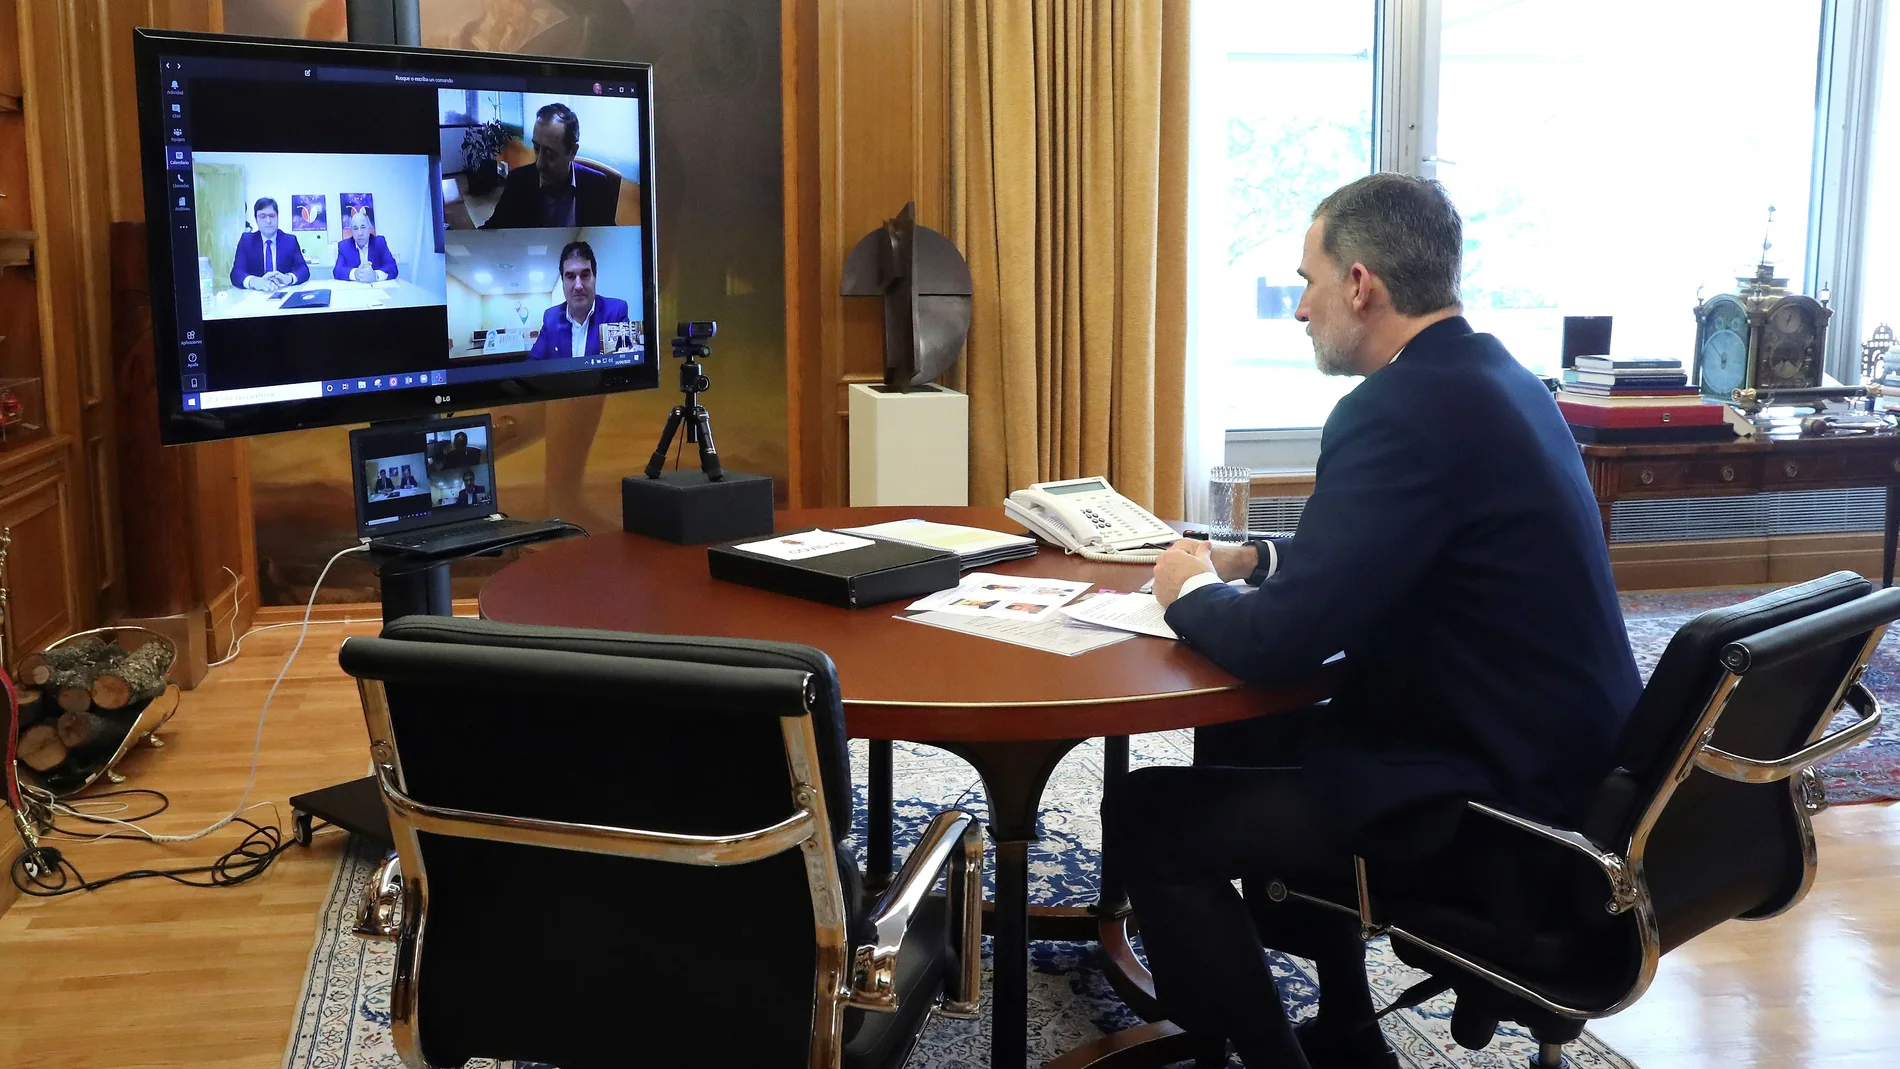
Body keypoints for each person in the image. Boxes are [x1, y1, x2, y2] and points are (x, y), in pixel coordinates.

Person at [1105, 174, 1641, 1069]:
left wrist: (1184, 592)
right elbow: (1405, 555)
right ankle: (1351, 1032)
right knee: (1255, 737)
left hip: (1499, 815)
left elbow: (1279, 643)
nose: (1301, 309)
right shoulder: (1495, 378)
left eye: (1308, 283)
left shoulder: (1396, 411)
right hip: (1560, 770)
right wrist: (1260, 562)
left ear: (1361, 284)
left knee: (1149, 819)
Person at [482, 102, 620, 229]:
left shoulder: (598, 186)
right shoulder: (518, 181)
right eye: (536, 148)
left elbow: (608, 241)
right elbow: (493, 230)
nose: (539, 164)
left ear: (572, 151)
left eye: (550, 154)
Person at [528, 241, 631, 361]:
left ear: (595, 278)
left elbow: (626, 366)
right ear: (563, 283)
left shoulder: (615, 313)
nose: (578, 286)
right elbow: (533, 363)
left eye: (585, 275)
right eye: (570, 277)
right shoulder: (551, 318)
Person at [229, 198, 310, 292]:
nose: (268, 221)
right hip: (255, 295)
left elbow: (304, 270)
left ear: (277, 217)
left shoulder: (290, 240)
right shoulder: (246, 241)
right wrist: (254, 281)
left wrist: (288, 278)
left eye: (272, 216)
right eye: (262, 216)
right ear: (256, 220)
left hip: (282, 292)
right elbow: (236, 273)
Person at [333, 212, 399, 283]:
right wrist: (356, 274)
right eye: (355, 228)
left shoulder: (379, 243)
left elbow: (393, 268)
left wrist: (375, 275)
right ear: (351, 231)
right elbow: (337, 271)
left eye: (363, 227)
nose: (360, 233)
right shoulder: (344, 246)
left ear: (370, 228)